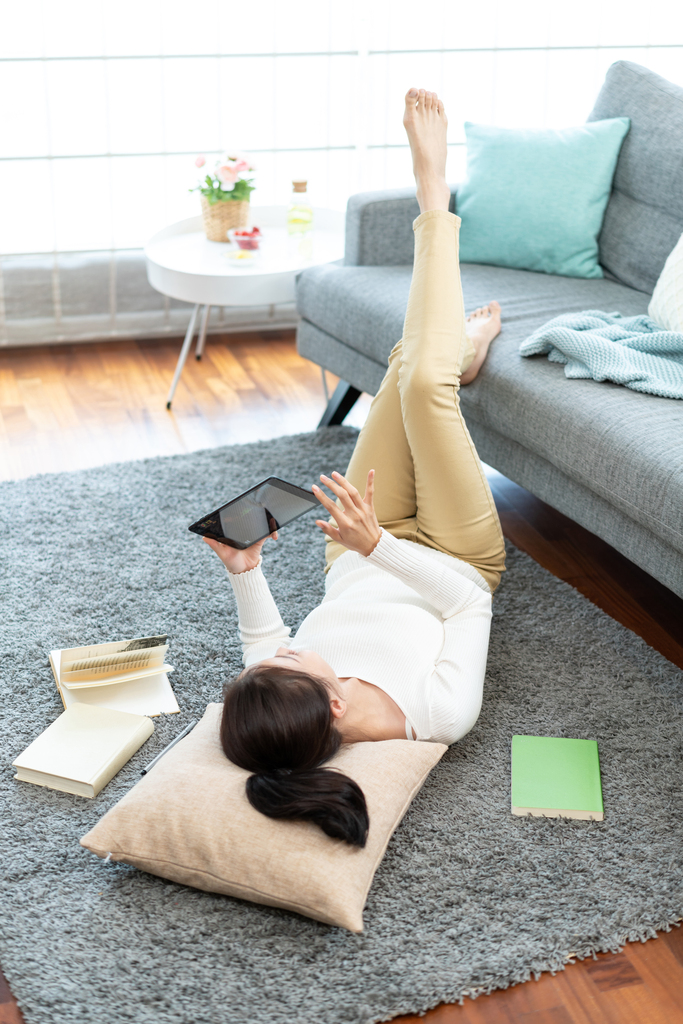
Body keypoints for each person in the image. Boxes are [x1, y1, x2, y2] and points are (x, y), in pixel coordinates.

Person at [204, 88, 506, 849]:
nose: (282, 655)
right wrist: (382, 549)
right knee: (422, 384)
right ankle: (433, 194)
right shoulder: (436, 716)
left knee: (407, 367)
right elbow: (469, 606)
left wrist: (244, 568)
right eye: (291, 663)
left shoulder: (288, 698)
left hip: (360, 541)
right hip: (452, 557)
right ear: (334, 707)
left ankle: (457, 351)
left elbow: (261, 648)